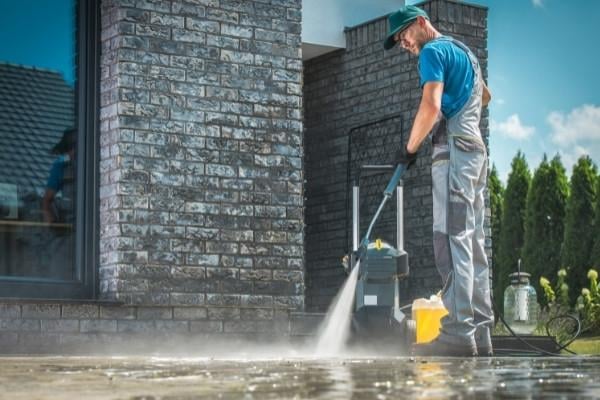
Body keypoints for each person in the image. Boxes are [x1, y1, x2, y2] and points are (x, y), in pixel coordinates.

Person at [384, 5, 493, 356]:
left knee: (451, 237)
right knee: (472, 240)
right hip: (474, 151)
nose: (403, 42)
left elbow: (430, 106)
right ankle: (481, 331)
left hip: (455, 155)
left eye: (403, 34)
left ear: (420, 22)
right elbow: (485, 96)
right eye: (399, 40)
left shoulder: (431, 51)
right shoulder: (465, 53)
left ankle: (459, 331)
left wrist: (409, 148)